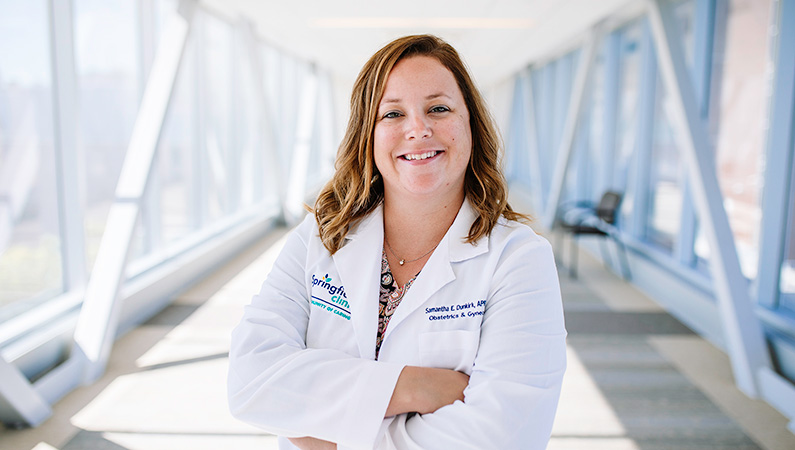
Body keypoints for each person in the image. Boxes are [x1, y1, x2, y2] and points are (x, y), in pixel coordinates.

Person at [227, 34, 566, 450]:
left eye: (438, 108)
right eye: (392, 114)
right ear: (367, 136)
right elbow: (250, 379)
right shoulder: (322, 236)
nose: (418, 129)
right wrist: (415, 387)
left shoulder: (519, 259)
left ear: (471, 125)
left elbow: (505, 435)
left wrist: (325, 429)